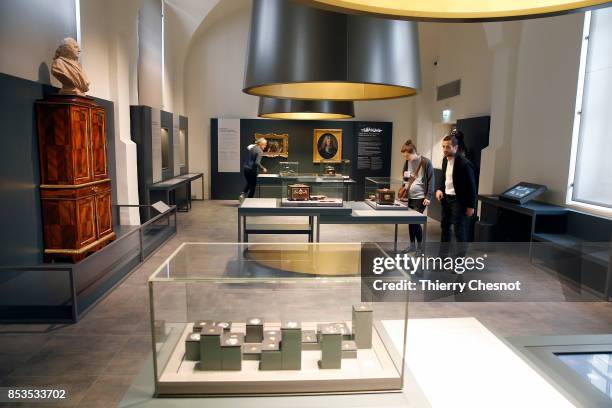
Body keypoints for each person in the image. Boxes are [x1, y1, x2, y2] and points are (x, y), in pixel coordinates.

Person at [435, 132, 477, 258]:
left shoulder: (465, 164)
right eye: (443, 146)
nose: (445, 149)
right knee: (445, 228)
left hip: (459, 201)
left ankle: (459, 263)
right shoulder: (444, 160)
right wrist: (439, 189)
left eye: (448, 147)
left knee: (459, 232)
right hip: (446, 199)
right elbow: (443, 178)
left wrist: (471, 206)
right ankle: (442, 257)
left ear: (455, 147)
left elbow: (472, 187)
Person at [398, 140, 434, 253]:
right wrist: (404, 189)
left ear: (413, 152)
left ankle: (419, 247)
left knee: (416, 221)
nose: (406, 158)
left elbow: (431, 180)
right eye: (405, 157)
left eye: (407, 156)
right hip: (410, 196)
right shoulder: (407, 162)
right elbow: (405, 177)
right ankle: (412, 245)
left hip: (421, 197)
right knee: (410, 221)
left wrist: (428, 197)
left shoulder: (426, 162)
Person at [239, 138, 267, 202]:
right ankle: (249, 202)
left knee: (249, 183)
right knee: (253, 187)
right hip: (252, 170)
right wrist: (263, 168)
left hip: (245, 169)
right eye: (265, 144)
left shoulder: (252, 148)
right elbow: (257, 162)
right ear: (261, 144)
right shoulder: (259, 151)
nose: (265, 146)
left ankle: (242, 194)